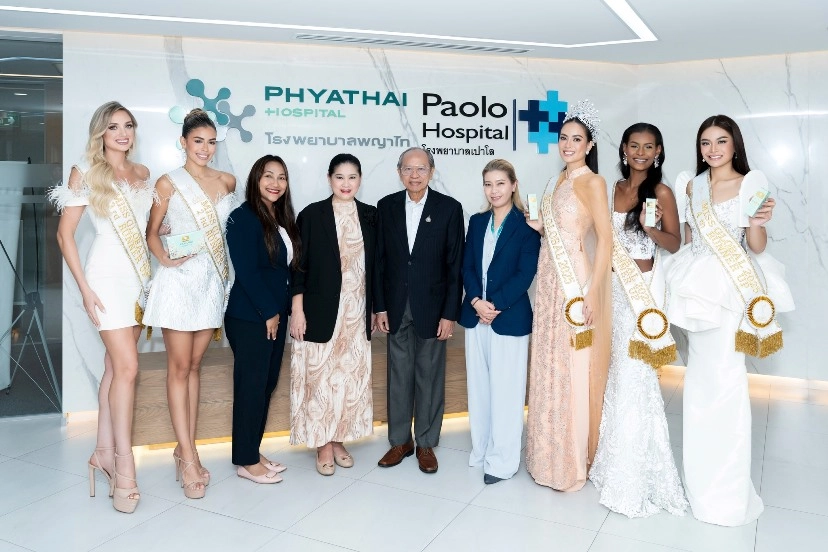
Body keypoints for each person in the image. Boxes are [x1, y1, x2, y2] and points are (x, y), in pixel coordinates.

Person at [664, 115, 793, 526]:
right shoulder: (692, 185)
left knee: (726, 383)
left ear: (734, 145)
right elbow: (689, 239)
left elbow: (756, 246)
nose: (713, 149)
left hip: (730, 291)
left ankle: (727, 491)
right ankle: (701, 485)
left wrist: (756, 223)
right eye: (706, 142)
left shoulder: (750, 184)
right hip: (697, 289)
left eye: (721, 141)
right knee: (699, 386)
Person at [51, 101, 151, 513]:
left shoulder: (143, 174)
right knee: (128, 368)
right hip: (105, 280)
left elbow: (146, 231)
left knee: (113, 367)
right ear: (100, 133)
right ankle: (125, 465)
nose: (122, 133)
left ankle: (102, 452)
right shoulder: (86, 172)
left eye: (128, 125)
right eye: (113, 127)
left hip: (139, 281)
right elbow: (65, 235)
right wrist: (85, 289)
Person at [588, 123, 688, 517]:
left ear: (658, 151)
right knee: (614, 376)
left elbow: (675, 242)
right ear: (624, 149)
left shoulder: (661, 192)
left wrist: (649, 228)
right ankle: (611, 463)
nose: (641, 153)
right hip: (610, 291)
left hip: (640, 293)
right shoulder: (612, 189)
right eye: (634, 146)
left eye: (649, 147)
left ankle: (633, 476)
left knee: (635, 377)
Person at [143, 108, 238, 499]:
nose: (205, 148)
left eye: (211, 142)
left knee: (195, 366)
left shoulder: (228, 181)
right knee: (179, 367)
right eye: (198, 141)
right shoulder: (168, 182)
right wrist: (165, 260)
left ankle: (185, 448)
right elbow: (152, 233)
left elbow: (231, 232)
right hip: (179, 283)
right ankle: (189, 458)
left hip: (211, 283)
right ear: (183, 142)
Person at [524, 100, 612, 492]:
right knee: (550, 361)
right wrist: (541, 226)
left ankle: (571, 462)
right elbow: (560, 228)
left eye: (577, 139)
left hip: (574, 279)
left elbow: (605, 239)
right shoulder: (556, 181)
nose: (569, 145)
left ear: (590, 145)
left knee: (572, 365)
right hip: (548, 278)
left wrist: (592, 293)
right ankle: (546, 455)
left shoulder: (593, 182)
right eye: (564, 138)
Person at [374, 147, 464, 474]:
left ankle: (426, 442)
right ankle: (400, 441)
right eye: (408, 169)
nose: (414, 175)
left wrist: (450, 313)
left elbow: (455, 266)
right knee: (398, 376)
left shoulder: (449, 209)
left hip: (433, 309)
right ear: (399, 172)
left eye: (421, 169)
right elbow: (379, 262)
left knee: (429, 376)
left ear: (431, 171)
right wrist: (379, 307)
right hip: (396, 306)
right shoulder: (386, 207)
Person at [289, 153, 377, 475]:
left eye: (352, 177)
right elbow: (298, 267)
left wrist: (375, 309)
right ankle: (322, 443)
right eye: (340, 177)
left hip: (356, 314)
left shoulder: (371, 215)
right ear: (329, 179)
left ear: (360, 180)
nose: (346, 183)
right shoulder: (312, 215)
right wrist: (297, 310)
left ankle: (338, 438)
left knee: (348, 380)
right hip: (319, 312)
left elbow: (378, 267)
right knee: (320, 379)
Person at [459, 159, 540, 485]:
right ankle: (481, 450)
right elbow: (467, 266)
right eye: (488, 184)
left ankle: (502, 462)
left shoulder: (527, 225)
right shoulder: (477, 221)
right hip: (476, 316)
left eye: (500, 183)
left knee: (507, 393)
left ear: (513, 185)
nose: (494, 190)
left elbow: (525, 273)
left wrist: (495, 305)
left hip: (509, 318)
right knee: (479, 389)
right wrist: (476, 301)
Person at [225, 155, 299, 483]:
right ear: (255, 179)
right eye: (268, 176)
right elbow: (247, 272)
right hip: (251, 316)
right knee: (251, 387)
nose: (275, 183)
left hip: (274, 314)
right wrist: (268, 312)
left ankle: (252, 451)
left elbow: (284, 270)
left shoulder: (280, 218)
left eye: (281, 177)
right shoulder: (242, 217)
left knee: (265, 385)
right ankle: (246, 461)